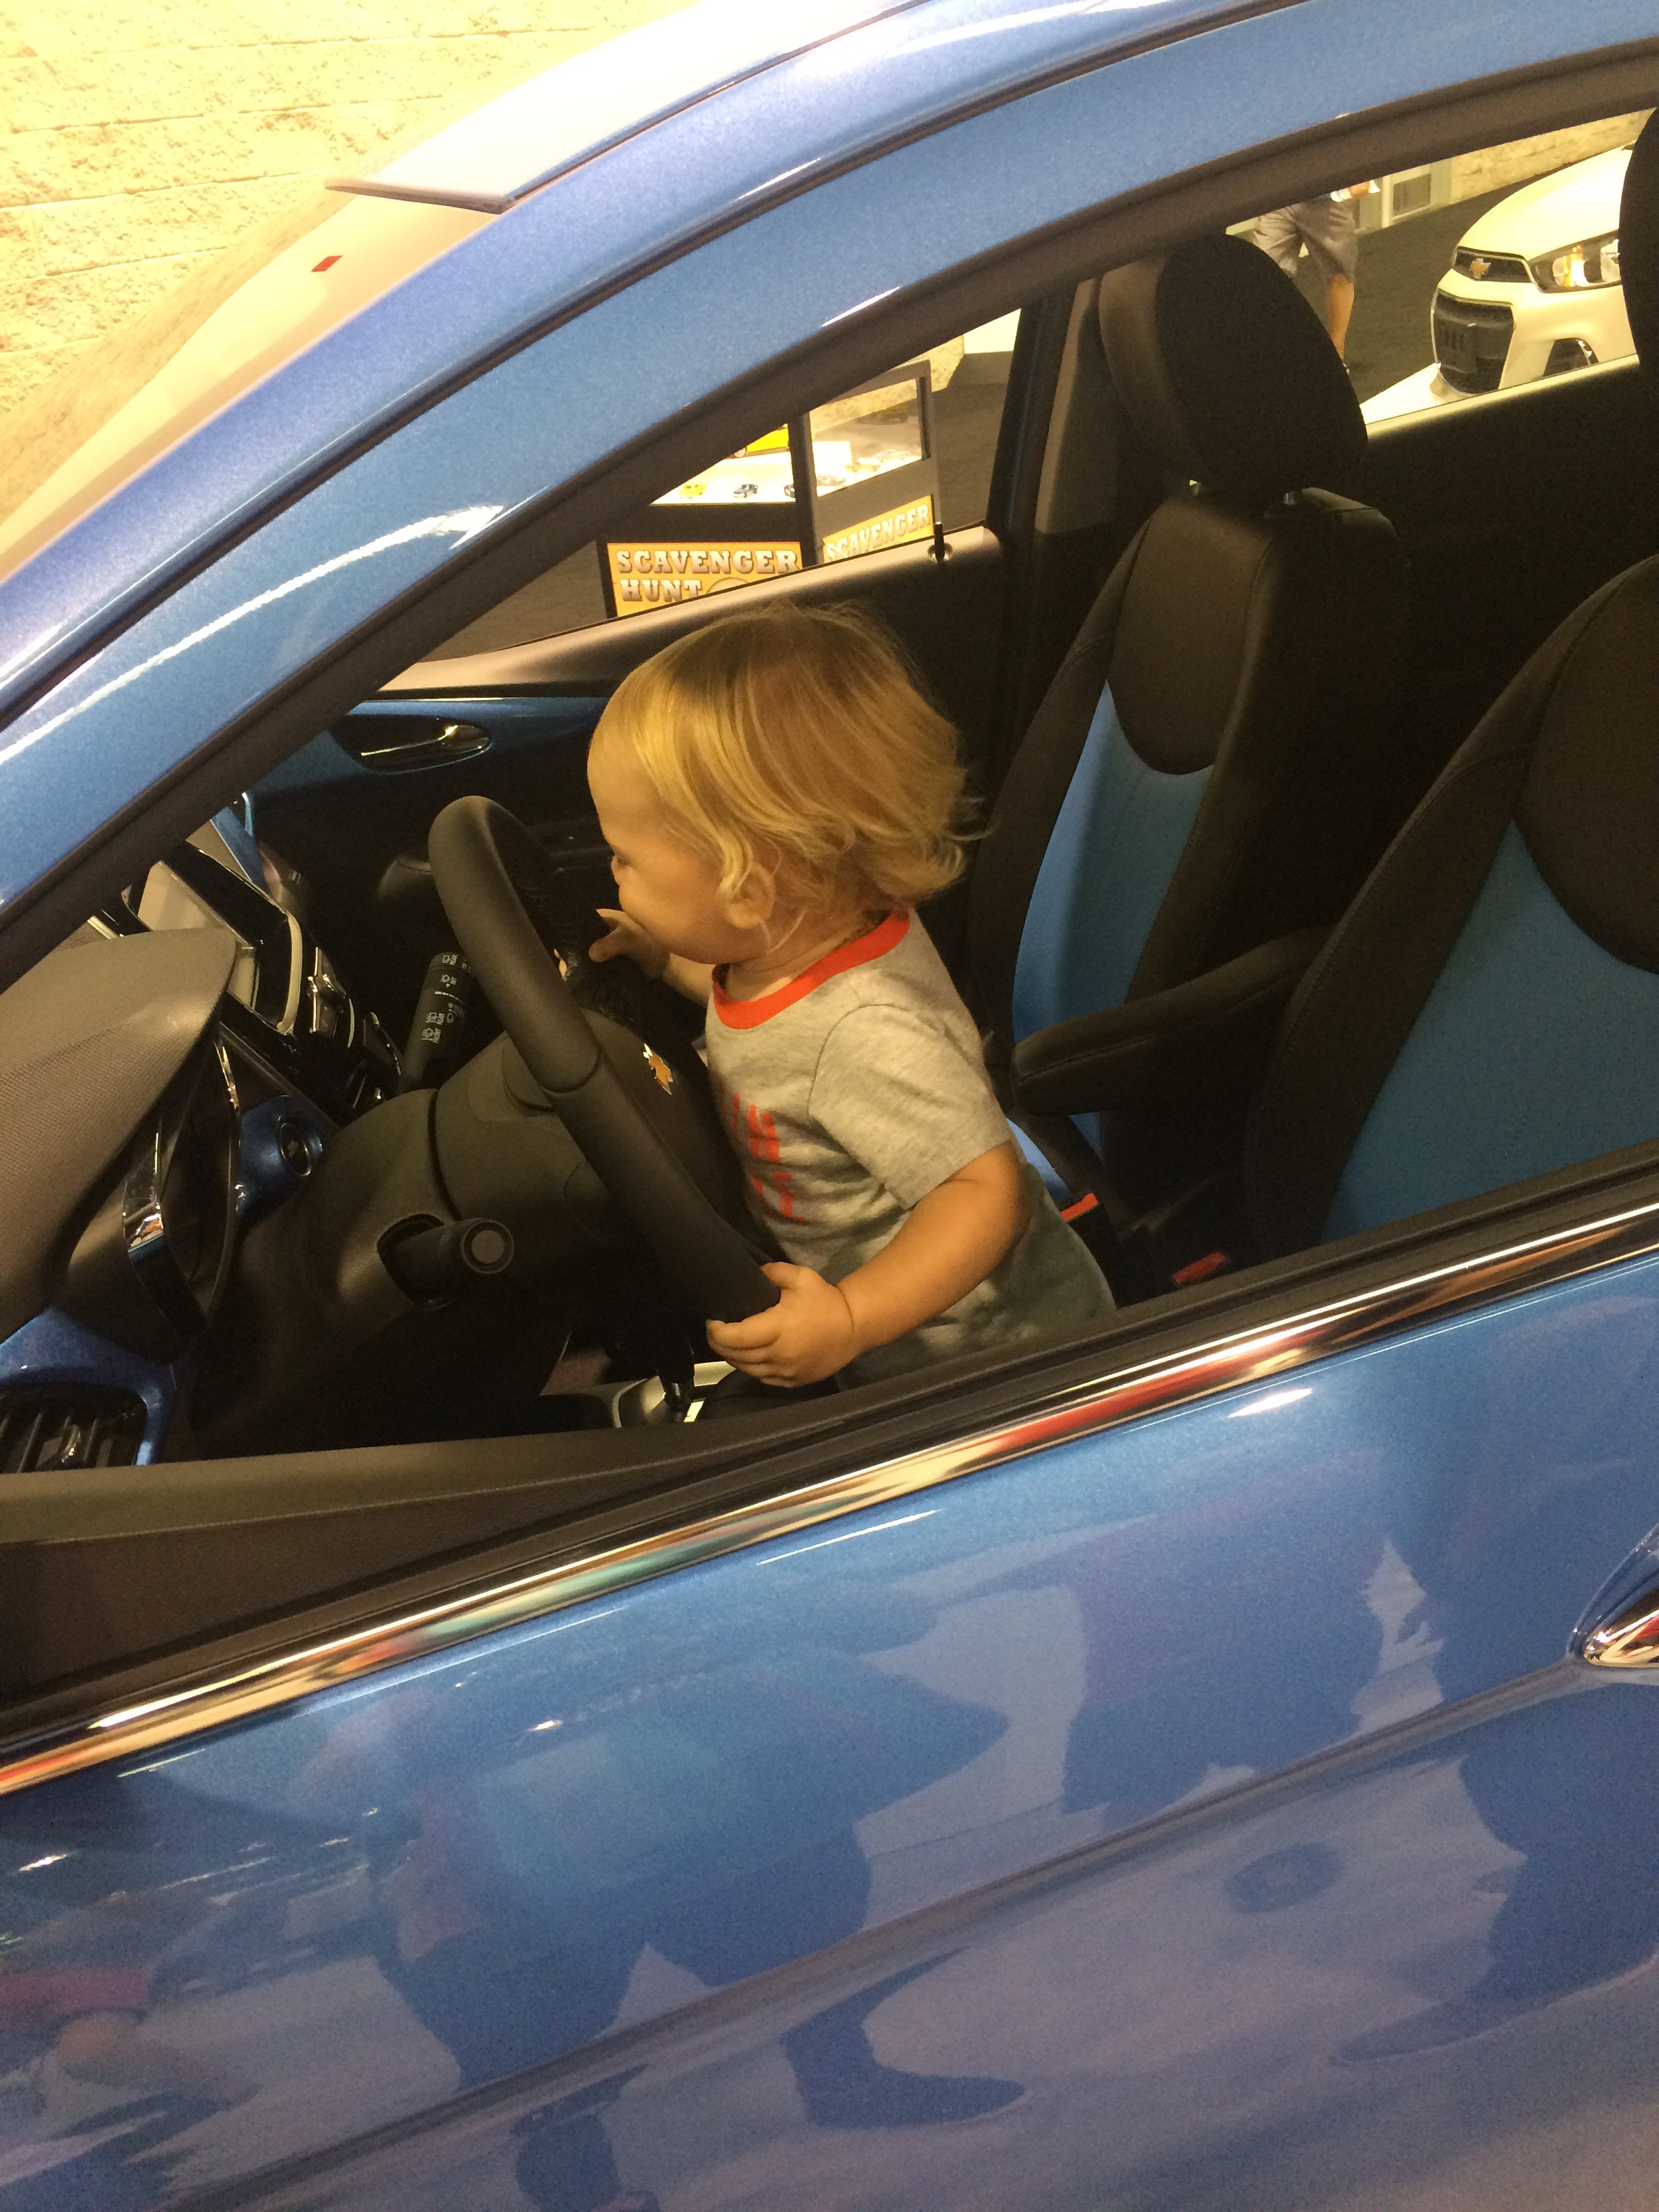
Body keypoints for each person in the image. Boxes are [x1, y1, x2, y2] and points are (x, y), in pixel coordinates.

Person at [586, 602, 1113, 1387]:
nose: (613, 870)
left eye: (624, 855)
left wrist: (851, 1318)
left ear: (746, 891)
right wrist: (663, 958)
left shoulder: (865, 1032)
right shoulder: (799, 944)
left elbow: (983, 1192)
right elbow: (766, 1023)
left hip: (989, 1359)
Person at [1254, 183, 1375, 359]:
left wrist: (1363, 177)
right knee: (1264, 273)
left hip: (1329, 198)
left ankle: (1336, 355)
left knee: (1338, 274)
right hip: (1279, 196)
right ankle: (1277, 350)